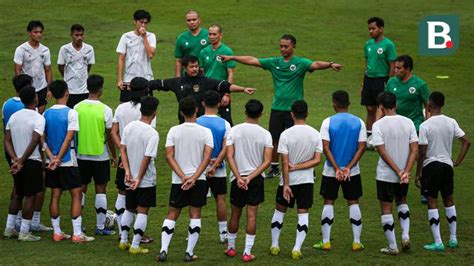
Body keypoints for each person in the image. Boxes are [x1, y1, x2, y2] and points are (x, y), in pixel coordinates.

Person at [221, 34, 343, 178]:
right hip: (277, 108)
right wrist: (233, 58)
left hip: (294, 111)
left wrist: (330, 64)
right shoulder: (274, 62)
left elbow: (315, 64)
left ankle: (306, 166)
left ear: (293, 47)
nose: (283, 49)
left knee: (297, 139)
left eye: (286, 46)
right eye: (281, 46)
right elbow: (253, 60)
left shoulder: (300, 63)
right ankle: (274, 167)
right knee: (274, 139)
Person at [157, 97, 213, 262]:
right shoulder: (205, 132)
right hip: (199, 180)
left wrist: (182, 177)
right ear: (196, 110)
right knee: (195, 214)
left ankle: (163, 249)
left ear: (181, 112)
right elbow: (207, 157)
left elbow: (169, 156)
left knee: (172, 213)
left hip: (178, 180)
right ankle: (189, 252)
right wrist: (194, 178)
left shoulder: (174, 130)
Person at [312, 91, 366, 252]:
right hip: (353, 171)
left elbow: (325, 147)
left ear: (334, 103)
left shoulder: (327, 122)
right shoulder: (359, 122)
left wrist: (336, 168)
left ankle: (326, 241)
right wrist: (348, 167)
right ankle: (356, 241)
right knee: (353, 201)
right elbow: (362, 147)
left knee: (329, 201)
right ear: (349, 103)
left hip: (330, 171)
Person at [416, 92, 470, 251]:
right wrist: (457, 161)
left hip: (431, 165)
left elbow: (422, 151)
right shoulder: (451, 122)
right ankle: (453, 239)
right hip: (447, 166)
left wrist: (419, 172)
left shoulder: (425, 125)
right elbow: (466, 142)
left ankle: (438, 241)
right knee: (449, 200)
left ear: (429, 106)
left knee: (432, 202)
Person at [269, 100, 322, 259]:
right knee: (303, 213)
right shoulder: (315, 134)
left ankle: (274, 245)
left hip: (288, 181)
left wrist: (286, 184)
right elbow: (317, 160)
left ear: (292, 114)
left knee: (279, 211)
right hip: (306, 181)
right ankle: (297, 248)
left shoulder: (285, 134)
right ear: (307, 113)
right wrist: (300, 167)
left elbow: (284, 162)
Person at [43, 80, 95, 243]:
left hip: (50, 162)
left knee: (55, 194)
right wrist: (59, 157)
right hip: (68, 161)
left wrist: (51, 157)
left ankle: (57, 232)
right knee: (76, 195)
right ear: (67, 92)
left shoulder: (46, 113)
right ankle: (77, 233)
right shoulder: (71, 113)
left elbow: (42, 138)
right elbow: (69, 136)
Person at [225, 99, 273, 262]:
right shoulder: (265, 134)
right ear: (261, 114)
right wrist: (250, 177)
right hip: (256, 179)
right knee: (251, 215)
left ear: (245, 112)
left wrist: (239, 177)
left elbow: (229, 155)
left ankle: (231, 248)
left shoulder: (234, 131)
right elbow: (267, 161)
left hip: (237, 179)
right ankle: (246, 252)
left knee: (235, 214)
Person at [372, 92, 418, 255]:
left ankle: (393, 246)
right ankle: (405, 235)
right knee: (402, 202)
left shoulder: (378, 125)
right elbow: (414, 149)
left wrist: (398, 171)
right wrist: (406, 171)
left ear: (381, 107)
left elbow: (382, 151)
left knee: (386, 208)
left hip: (386, 174)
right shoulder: (408, 122)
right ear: (396, 105)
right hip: (404, 175)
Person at [111, 77, 155, 243]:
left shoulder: (121, 108)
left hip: (125, 160)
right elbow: (149, 137)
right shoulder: (147, 110)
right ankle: (138, 235)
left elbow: (114, 132)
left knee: (123, 194)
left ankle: (122, 232)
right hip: (139, 159)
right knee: (141, 200)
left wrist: (123, 151)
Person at [148, 56, 255, 124]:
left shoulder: (205, 81)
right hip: (184, 122)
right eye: (192, 67)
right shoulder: (177, 82)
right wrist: (137, 85)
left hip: (202, 123)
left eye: (196, 66)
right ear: (185, 67)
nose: (195, 69)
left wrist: (243, 89)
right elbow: (158, 84)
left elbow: (226, 86)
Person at [74, 75, 117, 236]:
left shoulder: (77, 107)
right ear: (101, 89)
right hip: (100, 155)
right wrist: (114, 155)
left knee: (81, 191)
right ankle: (100, 227)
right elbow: (110, 135)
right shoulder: (105, 110)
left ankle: (78, 227)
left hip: (81, 154)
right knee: (101, 190)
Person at [384, 54, 430, 203]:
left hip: (414, 125)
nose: (395, 70)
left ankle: (422, 184)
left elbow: (427, 105)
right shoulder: (391, 82)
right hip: (396, 126)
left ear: (408, 69)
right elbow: (384, 102)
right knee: (396, 154)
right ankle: (396, 182)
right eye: (395, 67)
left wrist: (427, 124)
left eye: (399, 68)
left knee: (419, 155)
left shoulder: (419, 85)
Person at [118, 96, 160, 255]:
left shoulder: (129, 127)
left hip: (129, 178)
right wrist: (139, 178)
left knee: (129, 209)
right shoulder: (152, 134)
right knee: (142, 211)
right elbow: (147, 158)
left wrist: (127, 171)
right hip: (145, 180)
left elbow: (122, 148)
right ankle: (135, 245)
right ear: (154, 113)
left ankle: (123, 241)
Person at [4, 86, 45, 241]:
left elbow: (7, 140)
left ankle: (9, 228)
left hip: (17, 161)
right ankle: (24, 232)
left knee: (17, 195)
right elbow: (35, 141)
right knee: (30, 196)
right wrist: (22, 161)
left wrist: (15, 159)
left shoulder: (14, 117)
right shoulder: (38, 118)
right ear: (34, 98)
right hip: (31, 161)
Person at [196, 91, 231, 244]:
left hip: (199, 168)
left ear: (203, 103)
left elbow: (195, 146)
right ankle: (223, 233)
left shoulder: (196, 122)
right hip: (219, 167)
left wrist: (206, 162)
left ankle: (193, 231)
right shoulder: (225, 123)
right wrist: (215, 164)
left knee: (196, 202)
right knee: (220, 199)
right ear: (218, 104)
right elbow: (226, 148)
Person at [2, 75, 31, 239]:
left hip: (10, 150)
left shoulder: (7, 104)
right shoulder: (26, 106)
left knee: (17, 186)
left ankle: (11, 224)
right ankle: (23, 225)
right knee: (28, 190)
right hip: (24, 151)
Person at [361, 17, 396, 145]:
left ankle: (381, 136)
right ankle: (369, 136)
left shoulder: (388, 45)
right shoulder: (368, 44)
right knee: (370, 108)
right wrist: (363, 82)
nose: (371, 31)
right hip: (369, 79)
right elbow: (367, 64)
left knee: (382, 109)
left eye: (373, 28)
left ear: (381, 29)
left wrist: (390, 81)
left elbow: (392, 64)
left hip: (382, 79)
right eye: (369, 29)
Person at [199, 24, 236, 125]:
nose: (211, 36)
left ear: (220, 35)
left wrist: (227, 94)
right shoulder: (203, 52)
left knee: (227, 120)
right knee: (205, 119)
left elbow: (230, 73)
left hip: (221, 90)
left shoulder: (227, 51)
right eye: (210, 34)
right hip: (207, 90)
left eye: (214, 34)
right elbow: (202, 73)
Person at [116, 9, 156, 103]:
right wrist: (120, 79)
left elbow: (150, 54)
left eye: (145, 23)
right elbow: (121, 58)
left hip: (146, 80)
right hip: (129, 80)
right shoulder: (126, 36)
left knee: (146, 109)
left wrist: (144, 37)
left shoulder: (151, 36)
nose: (143, 25)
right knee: (125, 108)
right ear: (135, 21)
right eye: (141, 22)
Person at [14, 20, 52, 114]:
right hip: (27, 88)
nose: (39, 34)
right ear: (29, 33)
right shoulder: (21, 49)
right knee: (29, 113)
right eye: (35, 32)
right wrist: (21, 88)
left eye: (40, 32)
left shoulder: (45, 50)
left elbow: (48, 70)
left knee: (40, 115)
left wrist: (49, 89)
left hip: (41, 87)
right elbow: (17, 70)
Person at [58, 24, 95, 108]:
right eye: (76, 35)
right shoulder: (64, 49)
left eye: (81, 35)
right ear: (71, 35)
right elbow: (60, 66)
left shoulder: (89, 49)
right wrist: (67, 77)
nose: (79, 38)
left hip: (84, 89)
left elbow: (89, 66)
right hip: (70, 90)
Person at [175, 10, 209, 77]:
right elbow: (178, 60)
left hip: (206, 74)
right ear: (186, 22)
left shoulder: (208, 35)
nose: (192, 22)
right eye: (189, 20)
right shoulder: (181, 38)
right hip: (187, 76)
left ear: (199, 20)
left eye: (194, 19)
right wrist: (178, 79)